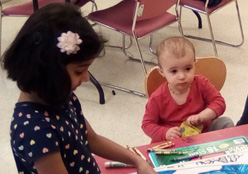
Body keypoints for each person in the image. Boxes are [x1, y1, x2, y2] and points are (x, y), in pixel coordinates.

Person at [4, 3, 156, 174]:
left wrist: (137, 160)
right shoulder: (35, 130)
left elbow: (92, 139)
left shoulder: (61, 96)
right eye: (79, 70)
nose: (86, 78)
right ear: (48, 70)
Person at [142, 36, 234, 143]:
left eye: (188, 69)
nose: (182, 76)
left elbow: (219, 103)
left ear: (195, 65)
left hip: (204, 135)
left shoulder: (201, 83)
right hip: (173, 142)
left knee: (226, 122)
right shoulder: (157, 97)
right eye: (174, 71)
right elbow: (147, 124)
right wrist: (165, 133)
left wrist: (202, 116)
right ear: (162, 72)